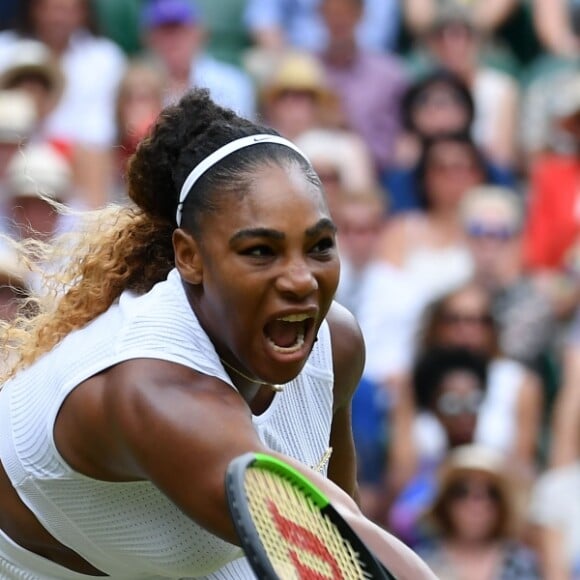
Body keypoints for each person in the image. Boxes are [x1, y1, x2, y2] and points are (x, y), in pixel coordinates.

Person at [0, 88, 436, 579]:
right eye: (260, 251)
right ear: (189, 257)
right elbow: (336, 546)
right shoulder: (153, 387)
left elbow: (348, 519)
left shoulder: (337, 345)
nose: (301, 280)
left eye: (318, 246)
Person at [418, 444, 540, 579]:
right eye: (462, 492)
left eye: (491, 493)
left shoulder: (521, 564)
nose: (476, 505)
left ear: (502, 506)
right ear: (445, 502)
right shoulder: (421, 561)